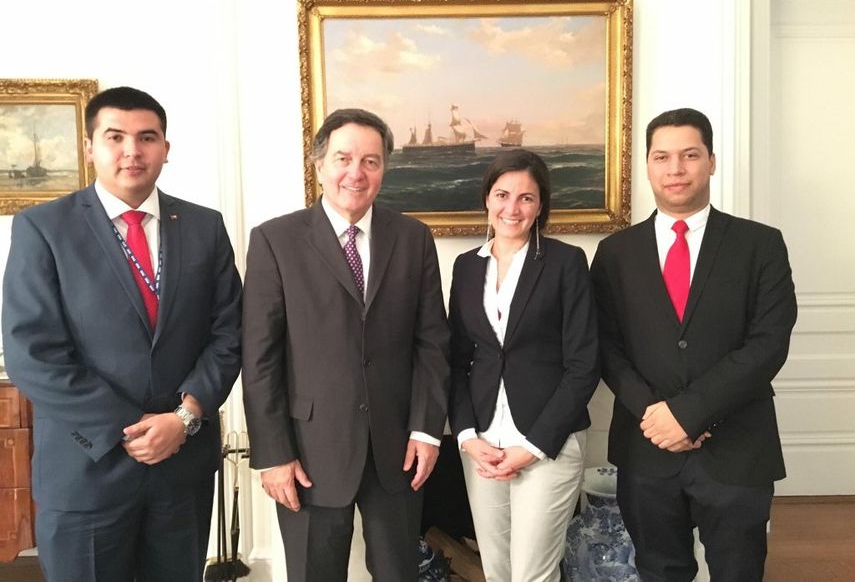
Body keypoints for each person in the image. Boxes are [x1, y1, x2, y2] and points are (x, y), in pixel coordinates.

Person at [1, 86, 242, 582]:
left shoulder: (204, 226)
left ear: (166, 149)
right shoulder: (44, 228)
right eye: (115, 137)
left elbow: (229, 333)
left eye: (147, 138)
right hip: (86, 470)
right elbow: (32, 352)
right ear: (90, 147)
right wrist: (128, 427)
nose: (132, 150)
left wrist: (184, 418)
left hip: (181, 468)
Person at [241, 108, 450, 582]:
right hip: (308, 452)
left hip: (398, 450)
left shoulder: (413, 238)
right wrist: (273, 454)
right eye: (344, 158)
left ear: (384, 169)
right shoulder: (275, 240)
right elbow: (260, 357)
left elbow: (432, 342)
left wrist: (426, 430)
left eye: (371, 161)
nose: (356, 173)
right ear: (319, 164)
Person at [590, 108, 797, 582]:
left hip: (737, 448)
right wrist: (655, 416)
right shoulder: (615, 253)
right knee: (659, 571)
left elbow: (768, 343)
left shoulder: (760, 244)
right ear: (647, 165)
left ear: (711, 161)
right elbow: (605, 346)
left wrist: (689, 414)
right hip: (647, 448)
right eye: (662, 157)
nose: (676, 169)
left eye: (689, 155)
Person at [448, 149, 600, 582]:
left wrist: (532, 446)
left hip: (547, 442)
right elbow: (455, 360)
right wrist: (466, 435)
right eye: (502, 195)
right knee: (497, 571)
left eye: (526, 198)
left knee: (533, 575)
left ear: (540, 205)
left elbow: (584, 364)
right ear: (487, 198)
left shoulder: (566, 262)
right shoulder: (465, 267)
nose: (512, 208)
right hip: (482, 443)